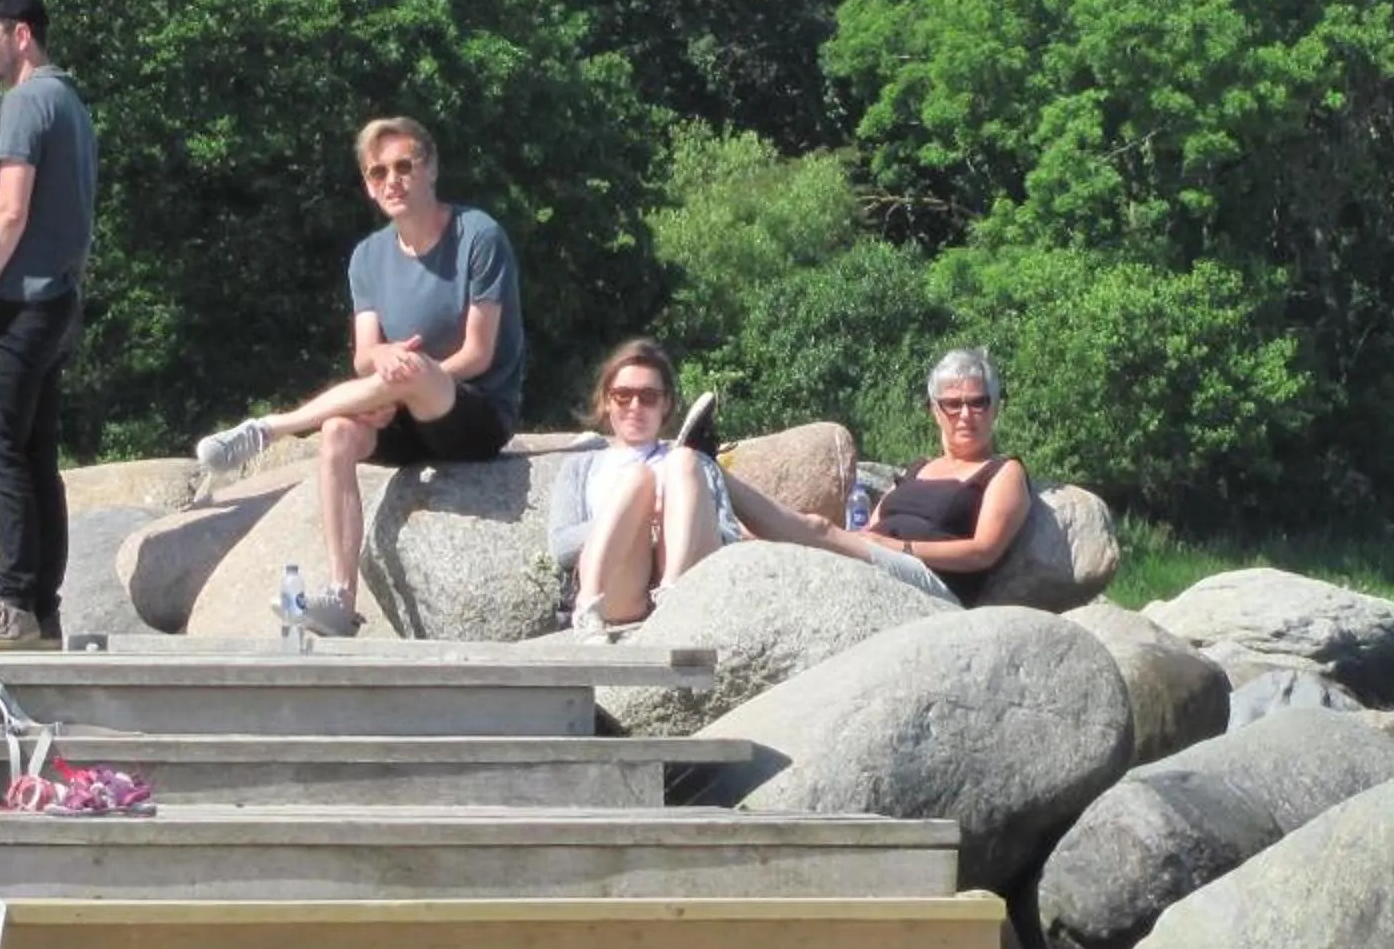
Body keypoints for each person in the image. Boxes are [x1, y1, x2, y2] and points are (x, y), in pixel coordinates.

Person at [189, 118, 525, 636]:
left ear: (431, 168)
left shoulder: (478, 235)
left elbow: (478, 353)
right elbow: (366, 355)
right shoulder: (368, 257)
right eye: (377, 173)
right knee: (337, 433)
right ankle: (341, 597)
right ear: (368, 186)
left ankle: (272, 428)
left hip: (473, 409)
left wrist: (407, 379)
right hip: (401, 408)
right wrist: (387, 369)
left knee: (412, 371)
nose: (392, 181)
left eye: (404, 166)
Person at [0, 0, 98, 651]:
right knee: (37, 453)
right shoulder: (69, 101)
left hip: (20, 302)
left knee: (0, 451)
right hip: (61, 295)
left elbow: (11, 213)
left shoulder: (24, 102)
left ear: (20, 34)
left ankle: (12, 603)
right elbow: (28, 209)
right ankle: (44, 606)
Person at [727, 347, 1033, 605]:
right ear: (935, 411)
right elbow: (870, 530)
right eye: (952, 404)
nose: (965, 415)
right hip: (884, 560)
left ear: (994, 409)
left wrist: (901, 548)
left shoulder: (1002, 471)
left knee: (818, 528)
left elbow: (983, 552)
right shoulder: (918, 468)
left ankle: (720, 476)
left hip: (934, 583)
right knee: (760, 541)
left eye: (977, 402)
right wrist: (867, 541)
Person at [543, 339, 741, 637]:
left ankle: (671, 592)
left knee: (683, 460)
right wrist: (633, 515)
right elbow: (561, 547)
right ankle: (587, 608)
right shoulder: (580, 465)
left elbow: (728, 538)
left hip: (689, 576)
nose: (635, 406)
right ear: (607, 401)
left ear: (665, 404)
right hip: (619, 587)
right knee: (637, 480)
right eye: (623, 396)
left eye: (648, 396)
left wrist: (676, 515)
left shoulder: (694, 462)